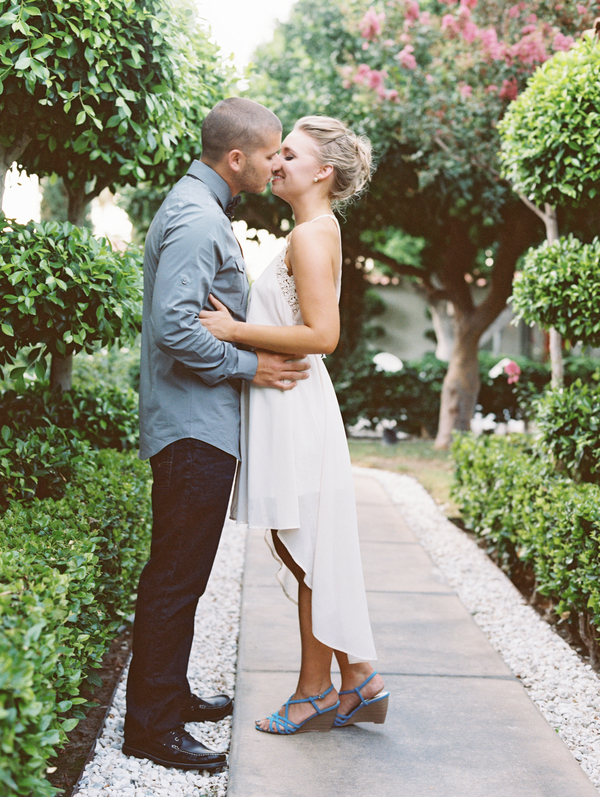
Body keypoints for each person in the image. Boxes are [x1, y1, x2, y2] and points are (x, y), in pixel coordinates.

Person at [122, 98, 310, 770]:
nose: (276, 162)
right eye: (269, 154)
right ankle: (150, 726)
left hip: (195, 424)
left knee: (183, 576)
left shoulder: (197, 208)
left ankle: (166, 695)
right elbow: (175, 328)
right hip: (192, 430)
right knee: (175, 577)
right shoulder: (201, 219)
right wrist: (251, 365)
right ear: (237, 159)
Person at [199, 115, 389, 735]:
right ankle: (358, 677)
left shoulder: (311, 235)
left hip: (297, 406)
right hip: (287, 405)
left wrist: (234, 331)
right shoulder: (313, 229)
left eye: (288, 154)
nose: (273, 162)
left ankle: (318, 691)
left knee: (304, 549)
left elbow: (322, 336)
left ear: (322, 171)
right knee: (301, 545)